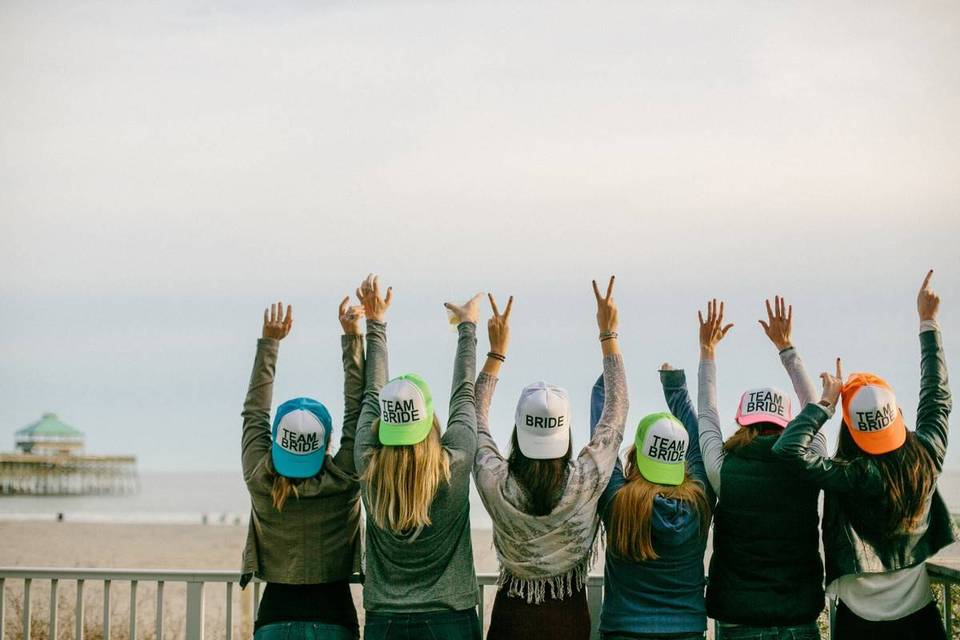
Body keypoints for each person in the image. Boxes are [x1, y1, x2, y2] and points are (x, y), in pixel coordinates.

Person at [773, 270, 956, 640]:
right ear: (897, 418)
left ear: (852, 431)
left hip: (858, 622)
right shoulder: (926, 457)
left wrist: (826, 402)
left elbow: (788, 449)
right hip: (919, 617)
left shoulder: (851, 473)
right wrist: (928, 322)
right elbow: (937, 396)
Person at [473, 277, 629, 640]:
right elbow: (616, 414)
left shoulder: (495, 482)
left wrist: (496, 353)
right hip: (569, 621)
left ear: (517, 431)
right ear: (565, 433)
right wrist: (608, 334)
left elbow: (474, 419)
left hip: (512, 621)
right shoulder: (586, 480)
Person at [353, 274, 483, 640]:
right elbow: (464, 397)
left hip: (385, 621)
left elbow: (370, 393)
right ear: (428, 421)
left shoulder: (367, 462)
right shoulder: (452, 465)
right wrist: (467, 327)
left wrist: (375, 324)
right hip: (450, 620)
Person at [697, 296, 827, 639]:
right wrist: (787, 348)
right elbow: (814, 409)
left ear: (743, 421)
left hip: (740, 623)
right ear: (789, 424)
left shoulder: (723, 470)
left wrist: (707, 351)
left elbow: (707, 415)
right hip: (798, 621)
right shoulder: (809, 464)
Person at [240, 298, 365, 640]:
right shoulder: (344, 480)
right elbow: (357, 413)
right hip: (334, 619)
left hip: (274, 620)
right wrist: (353, 337)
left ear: (277, 441)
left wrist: (270, 344)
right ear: (326, 444)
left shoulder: (260, 478)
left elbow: (254, 413)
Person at [592, 361, 714, 640]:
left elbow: (604, 439)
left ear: (636, 453)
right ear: (680, 460)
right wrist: (675, 387)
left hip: (624, 629)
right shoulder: (700, 500)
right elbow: (697, 444)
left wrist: (605, 386)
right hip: (686, 630)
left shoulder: (618, 501)